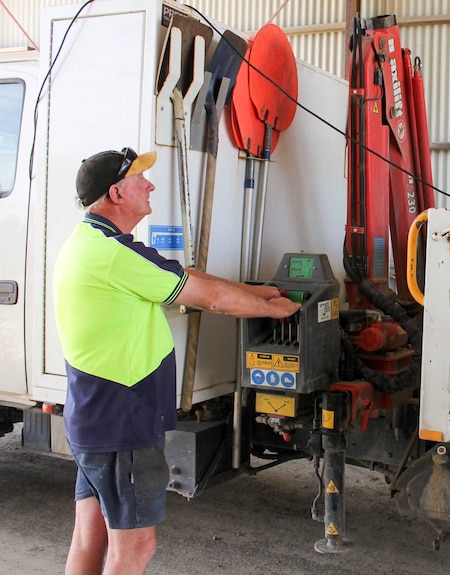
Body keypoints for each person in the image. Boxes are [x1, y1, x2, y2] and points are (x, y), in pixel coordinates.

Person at [53, 147, 301, 575]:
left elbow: (188, 278)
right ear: (116, 193)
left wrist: (260, 292)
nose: (150, 185)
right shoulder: (114, 255)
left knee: (89, 536)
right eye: (140, 180)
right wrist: (276, 311)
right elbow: (212, 300)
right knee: (135, 548)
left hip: (95, 418)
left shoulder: (95, 243)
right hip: (122, 424)